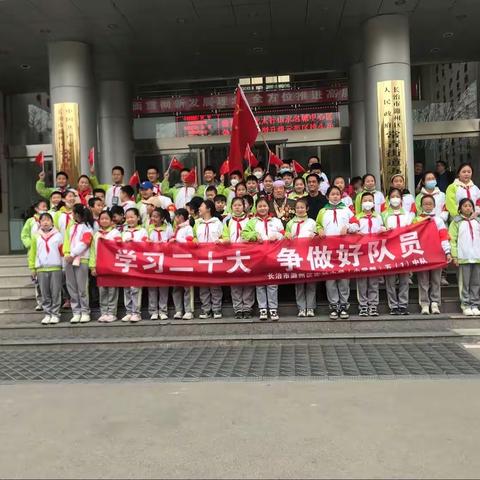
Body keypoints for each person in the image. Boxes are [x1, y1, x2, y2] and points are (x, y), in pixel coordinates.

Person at [316, 186, 358, 319]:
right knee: (330, 280)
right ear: (327, 196)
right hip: (328, 250)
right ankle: (334, 305)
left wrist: (348, 227)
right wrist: (319, 229)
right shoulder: (323, 211)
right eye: (332, 194)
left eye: (337, 194)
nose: (335, 196)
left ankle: (344, 305)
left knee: (344, 278)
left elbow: (357, 224)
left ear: (341, 196)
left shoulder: (346, 210)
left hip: (344, 249)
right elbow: (317, 225)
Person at [242, 197, 284, 321]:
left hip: (273, 256)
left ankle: (273, 309)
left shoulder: (276, 220)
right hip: (258, 257)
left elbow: (285, 234)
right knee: (260, 283)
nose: (262, 208)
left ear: (268, 207)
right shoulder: (251, 221)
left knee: (272, 283)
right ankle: (263, 309)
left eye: (264, 206)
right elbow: (244, 234)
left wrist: (277, 235)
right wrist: (255, 236)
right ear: (256, 208)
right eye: (259, 206)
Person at [414, 195, 452, 314]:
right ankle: (424, 304)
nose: (428, 206)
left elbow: (443, 237)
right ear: (421, 205)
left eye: (430, 204)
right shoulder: (416, 220)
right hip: (422, 254)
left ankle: (435, 303)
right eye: (425, 204)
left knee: (436, 279)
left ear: (434, 206)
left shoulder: (439, 220)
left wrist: (447, 251)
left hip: (437, 253)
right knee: (423, 280)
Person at [382, 188, 414, 315]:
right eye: (393, 196)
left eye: (397, 196)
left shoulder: (408, 214)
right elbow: (379, 229)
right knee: (390, 280)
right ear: (389, 199)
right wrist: (384, 229)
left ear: (401, 199)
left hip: (404, 249)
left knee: (404, 279)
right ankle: (393, 305)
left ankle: (403, 304)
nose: (395, 199)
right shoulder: (383, 214)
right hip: (390, 250)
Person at [28, 212, 64, 325]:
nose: (45, 222)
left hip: (56, 268)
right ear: (40, 223)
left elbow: (62, 252)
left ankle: (55, 314)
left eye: (48, 220)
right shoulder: (36, 236)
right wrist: (32, 267)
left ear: (52, 222)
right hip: (41, 269)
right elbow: (33, 253)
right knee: (45, 293)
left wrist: (63, 267)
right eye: (43, 220)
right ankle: (47, 313)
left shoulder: (58, 235)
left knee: (55, 293)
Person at [222, 197, 254, 318]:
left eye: (240, 205)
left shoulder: (250, 220)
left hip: (247, 253)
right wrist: (225, 240)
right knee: (235, 281)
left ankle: (247, 307)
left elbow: (254, 233)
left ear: (244, 206)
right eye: (235, 205)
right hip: (233, 254)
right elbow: (225, 235)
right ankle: (237, 308)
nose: (237, 207)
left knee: (248, 280)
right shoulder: (227, 221)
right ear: (231, 207)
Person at [355, 192, 385, 317]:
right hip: (361, 252)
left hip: (375, 252)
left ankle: (373, 305)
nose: (367, 202)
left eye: (370, 200)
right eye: (365, 200)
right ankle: (363, 305)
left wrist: (382, 231)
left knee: (373, 280)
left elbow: (383, 229)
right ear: (361, 203)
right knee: (361, 280)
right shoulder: (357, 217)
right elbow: (352, 232)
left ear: (373, 203)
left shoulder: (378, 217)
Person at [63, 204, 94, 323]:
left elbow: (85, 242)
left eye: (73, 212)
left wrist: (73, 254)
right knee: (71, 287)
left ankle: (85, 311)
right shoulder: (71, 227)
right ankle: (76, 311)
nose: (72, 214)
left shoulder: (87, 227)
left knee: (82, 288)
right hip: (69, 259)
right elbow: (66, 241)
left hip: (81, 259)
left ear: (77, 214)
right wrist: (67, 254)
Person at [286, 198, 317, 317]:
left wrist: (314, 236)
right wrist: (286, 235)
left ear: (307, 208)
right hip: (296, 255)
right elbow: (286, 238)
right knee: (299, 283)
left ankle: (310, 307)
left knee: (310, 282)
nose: (300, 209)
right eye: (297, 207)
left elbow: (318, 237)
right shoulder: (290, 223)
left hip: (309, 256)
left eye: (302, 207)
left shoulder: (312, 222)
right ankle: (301, 308)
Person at [449, 198, 480, 316]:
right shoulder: (456, 222)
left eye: (470, 206)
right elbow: (452, 240)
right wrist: (455, 256)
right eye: (465, 206)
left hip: (477, 256)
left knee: (476, 282)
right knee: (464, 283)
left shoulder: (477, 221)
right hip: (463, 257)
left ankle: (475, 304)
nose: (468, 208)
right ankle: (466, 304)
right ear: (460, 208)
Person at [89, 210, 121, 323]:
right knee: (102, 291)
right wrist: (92, 266)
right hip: (100, 266)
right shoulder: (96, 235)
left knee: (112, 291)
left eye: (107, 218)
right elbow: (93, 251)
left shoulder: (116, 233)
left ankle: (112, 313)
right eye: (102, 219)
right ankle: (104, 312)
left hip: (112, 266)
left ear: (111, 221)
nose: (104, 221)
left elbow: (118, 248)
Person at [194, 200, 224, 319]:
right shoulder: (197, 223)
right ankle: (206, 309)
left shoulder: (218, 223)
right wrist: (194, 241)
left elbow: (225, 237)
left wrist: (220, 241)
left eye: (201, 206)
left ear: (208, 209)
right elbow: (193, 237)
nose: (199, 208)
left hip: (215, 257)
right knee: (203, 285)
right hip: (201, 257)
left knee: (215, 284)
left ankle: (216, 309)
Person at [121, 208, 148, 323]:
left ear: (138, 217)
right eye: (127, 218)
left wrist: (134, 243)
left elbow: (145, 245)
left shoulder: (142, 231)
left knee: (135, 288)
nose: (130, 220)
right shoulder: (124, 232)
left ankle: (136, 312)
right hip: (126, 262)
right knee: (126, 288)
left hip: (137, 263)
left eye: (132, 217)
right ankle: (128, 311)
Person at [147, 207, 173, 320]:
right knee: (152, 286)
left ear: (162, 218)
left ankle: (163, 310)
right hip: (151, 260)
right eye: (152, 216)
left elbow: (172, 243)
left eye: (156, 217)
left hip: (164, 260)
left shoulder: (168, 228)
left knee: (163, 286)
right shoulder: (148, 228)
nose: (154, 218)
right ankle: (153, 310)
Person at [170, 208, 194, 320]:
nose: (175, 219)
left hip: (186, 260)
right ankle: (178, 310)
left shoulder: (188, 228)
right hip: (175, 260)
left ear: (180, 217)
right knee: (176, 287)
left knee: (187, 287)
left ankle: (189, 310)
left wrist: (178, 240)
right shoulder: (177, 229)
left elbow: (189, 242)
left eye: (176, 217)